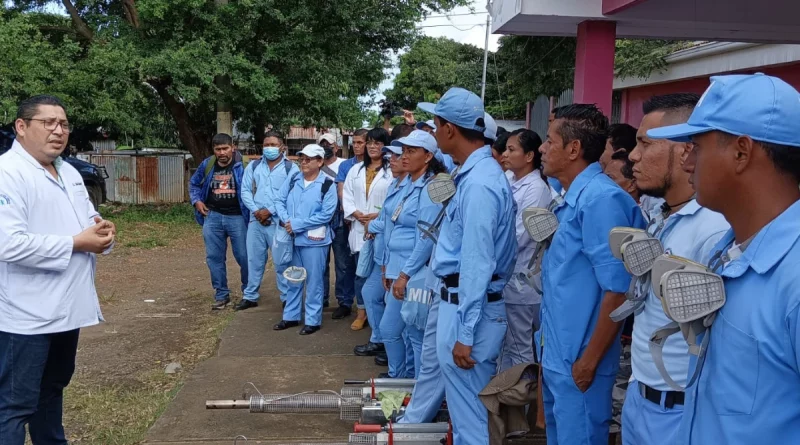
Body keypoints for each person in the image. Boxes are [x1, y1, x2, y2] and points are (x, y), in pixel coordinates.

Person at [647, 73, 800, 445]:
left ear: (742, 152)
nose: (687, 164)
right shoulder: (727, 251)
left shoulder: (794, 277)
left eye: (696, 146)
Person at [0, 95, 116, 445]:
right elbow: (8, 244)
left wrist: (103, 234)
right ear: (21, 127)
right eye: (47, 122)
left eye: (63, 124)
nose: (58, 131)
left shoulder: (67, 171)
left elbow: (87, 223)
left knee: (52, 391)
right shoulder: (8, 174)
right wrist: (77, 243)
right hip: (26, 315)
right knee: (15, 404)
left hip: (66, 310)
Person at [616, 93, 730, 445]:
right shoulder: (667, 217)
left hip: (678, 411)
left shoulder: (713, 228)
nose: (633, 156)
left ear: (684, 150)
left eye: (644, 144)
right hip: (642, 396)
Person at [537, 104, 646, 445]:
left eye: (549, 140)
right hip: (560, 356)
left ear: (573, 149)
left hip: (581, 363)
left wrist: (589, 361)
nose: (541, 148)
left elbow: (618, 291)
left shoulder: (601, 200)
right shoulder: (574, 199)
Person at [419, 88, 517, 445]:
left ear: (449, 129)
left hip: (468, 308)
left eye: (435, 125)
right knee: (466, 418)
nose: (433, 132)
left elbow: (477, 262)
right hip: (462, 303)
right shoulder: (475, 175)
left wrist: (466, 332)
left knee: (472, 421)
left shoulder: (479, 183)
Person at [379, 130, 445, 378]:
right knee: (405, 333)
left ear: (428, 156)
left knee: (412, 334)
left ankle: (414, 387)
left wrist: (405, 274)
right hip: (400, 268)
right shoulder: (409, 184)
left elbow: (427, 238)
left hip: (415, 272)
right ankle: (404, 381)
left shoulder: (429, 189)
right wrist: (389, 266)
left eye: (411, 151)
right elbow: (393, 225)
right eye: (403, 151)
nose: (404, 157)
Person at [499, 129, 551, 371]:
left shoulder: (537, 189)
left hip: (521, 279)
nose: (505, 154)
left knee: (520, 345)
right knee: (507, 343)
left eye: (512, 150)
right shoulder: (509, 179)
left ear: (529, 155)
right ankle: (506, 396)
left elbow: (520, 235)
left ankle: (521, 400)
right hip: (505, 274)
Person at [274, 144, 338, 335]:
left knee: (314, 281)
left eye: (308, 159)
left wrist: (297, 224)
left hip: (314, 241)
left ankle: (312, 319)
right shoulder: (294, 179)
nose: (304, 162)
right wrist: (287, 221)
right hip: (292, 238)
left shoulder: (328, 184)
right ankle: (291, 316)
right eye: (302, 158)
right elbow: (279, 200)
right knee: (293, 277)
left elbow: (326, 215)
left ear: (320, 162)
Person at [355, 144, 409, 362]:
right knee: (371, 294)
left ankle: (390, 350)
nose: (392, 160)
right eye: (391, 156)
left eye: (397, 155)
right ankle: (382, 342)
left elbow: (393, 222)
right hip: (385, 255)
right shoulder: (396, 184)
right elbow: (387, 216)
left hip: (399, 261)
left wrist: (373, 226)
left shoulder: (413, 188)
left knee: (397, 315)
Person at [236, 131, 300, 311]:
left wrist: (269, 211)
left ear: (282, 147)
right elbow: (245, 191)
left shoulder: (291, 168)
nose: (269, 148)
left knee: (282, 261)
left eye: (273, 144)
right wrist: (257, 211)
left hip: (278, 222)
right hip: (256, 221)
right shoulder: (254, 166)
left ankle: (287, 297)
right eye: (266, 145)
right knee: (254, 260)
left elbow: (291, 194)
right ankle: (250, 296)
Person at [189, 133, 250, 310]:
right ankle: (221, 294)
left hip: (238, 217)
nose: (222, 152)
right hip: (213, 216)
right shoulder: (207, 165)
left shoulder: (244, 166)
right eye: (218, 149)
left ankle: (249, 292)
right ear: (214, 150)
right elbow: (194, 184)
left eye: (225, 148)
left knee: (244, 257)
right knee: (214, 258)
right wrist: (197, 201)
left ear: (233, 147)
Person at [343, 128, 393, 331]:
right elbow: (346, 195)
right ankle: (362, 312)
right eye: (369, 143)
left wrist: (377, 216)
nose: (373, 147)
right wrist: (355, 213)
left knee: (381, 273)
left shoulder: (392, 171)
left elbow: (394, 201)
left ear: (385, 146)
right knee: (360, 273)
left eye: (378, 143)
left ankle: (380, 314)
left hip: (381, 229)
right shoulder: (355, 170)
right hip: (358, 227)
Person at [319, 132, 353, 318]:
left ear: (336, 147)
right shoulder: (314, 164)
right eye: (322, 144)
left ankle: (344, 300)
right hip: (320, 222)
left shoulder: (344, 165)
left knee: (342, 263)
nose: (326, 147)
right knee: (320, 263)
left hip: (339, 221)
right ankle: (322, 297)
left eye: (329, 144)